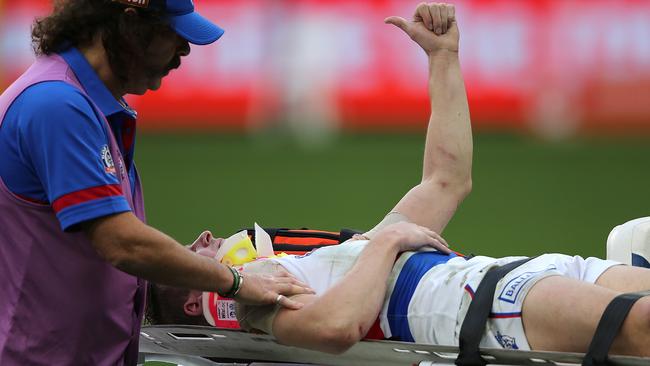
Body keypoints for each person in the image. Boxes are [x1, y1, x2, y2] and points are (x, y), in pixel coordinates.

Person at [148, 2, 650, 359]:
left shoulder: (333, 262)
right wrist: (386, 242)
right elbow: (334, 328)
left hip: (521, 275)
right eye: (193, 251)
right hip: (488, 305)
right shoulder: (254, 301)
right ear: (199, 300)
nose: (206, 237)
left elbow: (447, 180)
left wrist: (443, 59)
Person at [0, 1, 312, 365]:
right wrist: (237, 282)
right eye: (173, 34)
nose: (184, 49)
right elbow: (122, 243)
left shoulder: (79, 101)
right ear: (130, 25)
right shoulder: (57, 104)